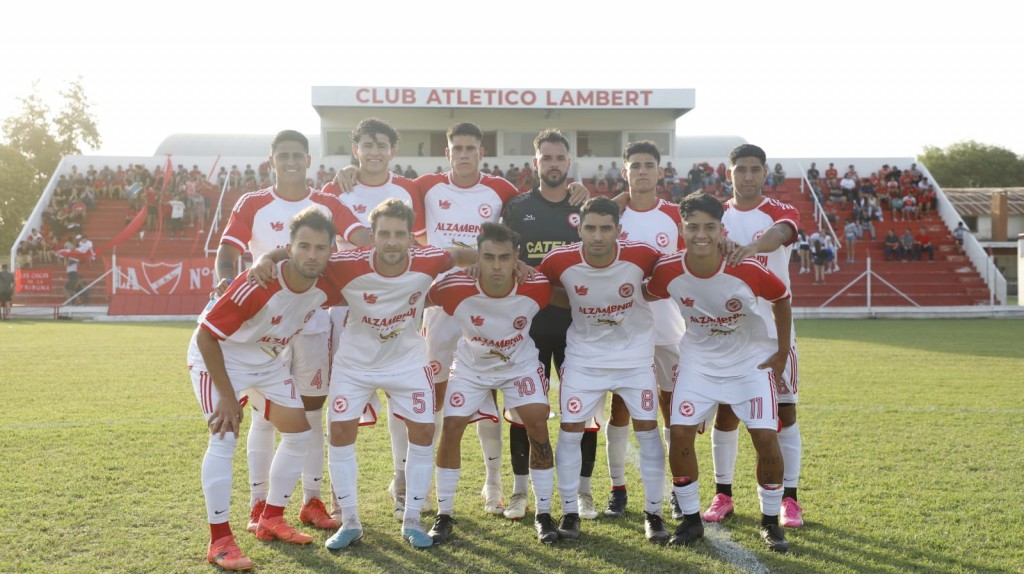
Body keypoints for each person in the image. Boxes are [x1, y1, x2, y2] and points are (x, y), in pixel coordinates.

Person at [252, 199, 473, 549]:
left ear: (410, 238)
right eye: (384, 234)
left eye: (400, 234)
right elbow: (294, 252)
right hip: (355, 364)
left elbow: (461, 255)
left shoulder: (428, 258)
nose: (391, 241)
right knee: (339, 431)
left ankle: (413, 519)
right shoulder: (347, 263)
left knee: (424, 430)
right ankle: (351, 522)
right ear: (371, 236)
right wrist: (266, 259)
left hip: (407, 362)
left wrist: (501, 263)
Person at [216, 130, 366, 536]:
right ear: (272, 160)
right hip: (263, 326)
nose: (291, 161)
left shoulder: (329, 202)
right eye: (283, 155)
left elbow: (363, 238)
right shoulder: (254, 202)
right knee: (265, 420)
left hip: (314, 319)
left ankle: (311, 501)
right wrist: (226, 282)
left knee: (311, 413)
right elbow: (228, 251)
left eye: (298, 155)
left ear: (309, 160)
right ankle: (259, 503)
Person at [189, 207, 343, 571]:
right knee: (224, 437)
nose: (311, 254)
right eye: (303, 246)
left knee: (299, 434)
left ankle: (271, 518)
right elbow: (206, 335)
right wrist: (228, 396)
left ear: (331, 250)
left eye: (320, 248)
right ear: (288, 247)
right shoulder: (258, 283)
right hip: (219, 357)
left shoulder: (330, 280)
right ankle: (220, 540)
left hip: (268, 361)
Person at [646, 192, 791, 552]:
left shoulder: (746, 266)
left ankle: (771, 523)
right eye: (693, 226)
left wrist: (781, 352)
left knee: (765, 438)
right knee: (679, 432)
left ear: (721, 229)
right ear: (682, 228)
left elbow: (782, 298)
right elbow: (645, 292)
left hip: (749, 363)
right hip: (699, 361)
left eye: (709, 227)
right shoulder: (668, 269)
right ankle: (691, 521)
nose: (701, 234)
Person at [537, 197, 669, 544]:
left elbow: (673, 272)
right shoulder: (559, 260)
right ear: (579, 228)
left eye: (605, 228)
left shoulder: (642, 254)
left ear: (618, 231)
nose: (597, 236)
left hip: (634, 359)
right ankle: (569, 513)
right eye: (590, 228)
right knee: (569, 431)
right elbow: (537, 285)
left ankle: (653, 515)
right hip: (584, 359)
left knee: (648, 431)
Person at [426, 222, 559, 545]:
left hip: (519, 365)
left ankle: (543, 512)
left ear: (517, 258)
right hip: (471, 366)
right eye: (488, 257)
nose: (496, 266)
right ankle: (444, 514)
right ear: (478, 258)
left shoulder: (536, 284)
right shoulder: (454, 286)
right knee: (453, 425)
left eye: (504, 257)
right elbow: (415, 298)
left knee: (537, 423)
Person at [501, 129, 601, 522]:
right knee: (524, 408)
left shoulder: (585, 207)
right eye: (547, 158)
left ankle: (584, 493)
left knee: (585, 409)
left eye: (560, 158)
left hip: (578, 326)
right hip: (528, 327)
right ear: (535, 163)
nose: (554, 164)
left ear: (569, 163)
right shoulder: (517, 207)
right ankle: (519, 490)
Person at [708, 144, 804, 529]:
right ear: (727, 173)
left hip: (776, 330)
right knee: (727, 412)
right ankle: (723, 494)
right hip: (728, 331)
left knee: (785, 412)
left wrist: (751, 247)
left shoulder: (780, 211)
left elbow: (780, 235)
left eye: (754, 169)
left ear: (765, 173)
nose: (747, 176)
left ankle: (790, 499)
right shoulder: (715, 215)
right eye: (740, 169)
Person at [605, 141, 685, 520]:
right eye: (634, 165)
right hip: (623, 326)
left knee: (672, 407)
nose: (641, 171)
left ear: (659, 171)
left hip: (668, 324)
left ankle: (675, 487)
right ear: (625, 171)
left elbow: (689, 265)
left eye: (648, 165)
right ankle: (617, 490)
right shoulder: (612, 214)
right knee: (620, 405)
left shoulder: (675, 215)